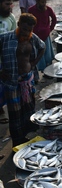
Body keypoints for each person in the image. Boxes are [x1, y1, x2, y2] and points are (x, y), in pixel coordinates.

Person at [0, 13, 45, 146]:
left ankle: (27, 137)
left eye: (30, 30)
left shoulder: (33, 38)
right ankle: (17, 142)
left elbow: (43, 47)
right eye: (25, 29)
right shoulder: (5, 38)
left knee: (28, 109)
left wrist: (33, 63)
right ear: (19, 24)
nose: (27, 32)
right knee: (15, 114)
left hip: (27, 80)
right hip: (11, 82)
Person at [28, 0, 56, 77]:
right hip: (35, 36)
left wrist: (50, 29)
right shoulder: (31, 10)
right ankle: (37, 74)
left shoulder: (48, 9)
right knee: (36, 55)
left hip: (46, 35)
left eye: (45, 2)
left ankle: (49, 73)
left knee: (48, 55)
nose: (44, 4)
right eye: (42, 2)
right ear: (37, 1)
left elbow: (54, 19)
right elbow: (28, 21)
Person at [0, 0, 16, 124]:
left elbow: (15, 37)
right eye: (6, 4)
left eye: (10, 4)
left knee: (5, 85)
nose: (9, 7)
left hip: (6, 57)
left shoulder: (11, 18)